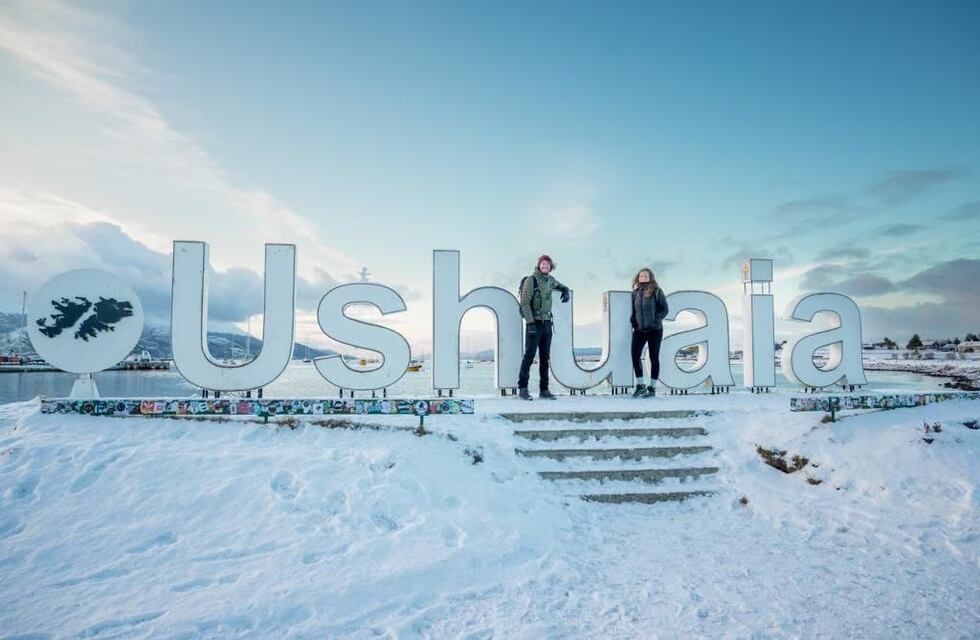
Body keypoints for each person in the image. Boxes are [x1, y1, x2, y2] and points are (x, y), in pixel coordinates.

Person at [517, 255, 570, 400]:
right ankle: (523, 388)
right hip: (534, 323)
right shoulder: (531, 280)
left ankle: (544, 390)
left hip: (547, 323)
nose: (545, 266)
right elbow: (524, 303)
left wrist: (565, 290)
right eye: (543, 263)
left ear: (550, 267)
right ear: (539, 265)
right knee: (529, 356)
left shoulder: (550, 280)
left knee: (545, 358)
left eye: (548, 264)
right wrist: (530, 323)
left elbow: (560, 285)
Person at [630, 267, 668, 398]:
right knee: (635, 355)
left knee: (653, 358)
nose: (643, 278)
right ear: (638, 278)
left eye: (645, 276)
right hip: (639, 330)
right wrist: (633, 321)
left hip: (655, 330)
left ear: (650, 277)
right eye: (641, 276)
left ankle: (652, 388)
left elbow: (665, 309)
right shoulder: (635, 293)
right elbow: (634, 311)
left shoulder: (656, 291)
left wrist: (655, 319)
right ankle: (640, 385)